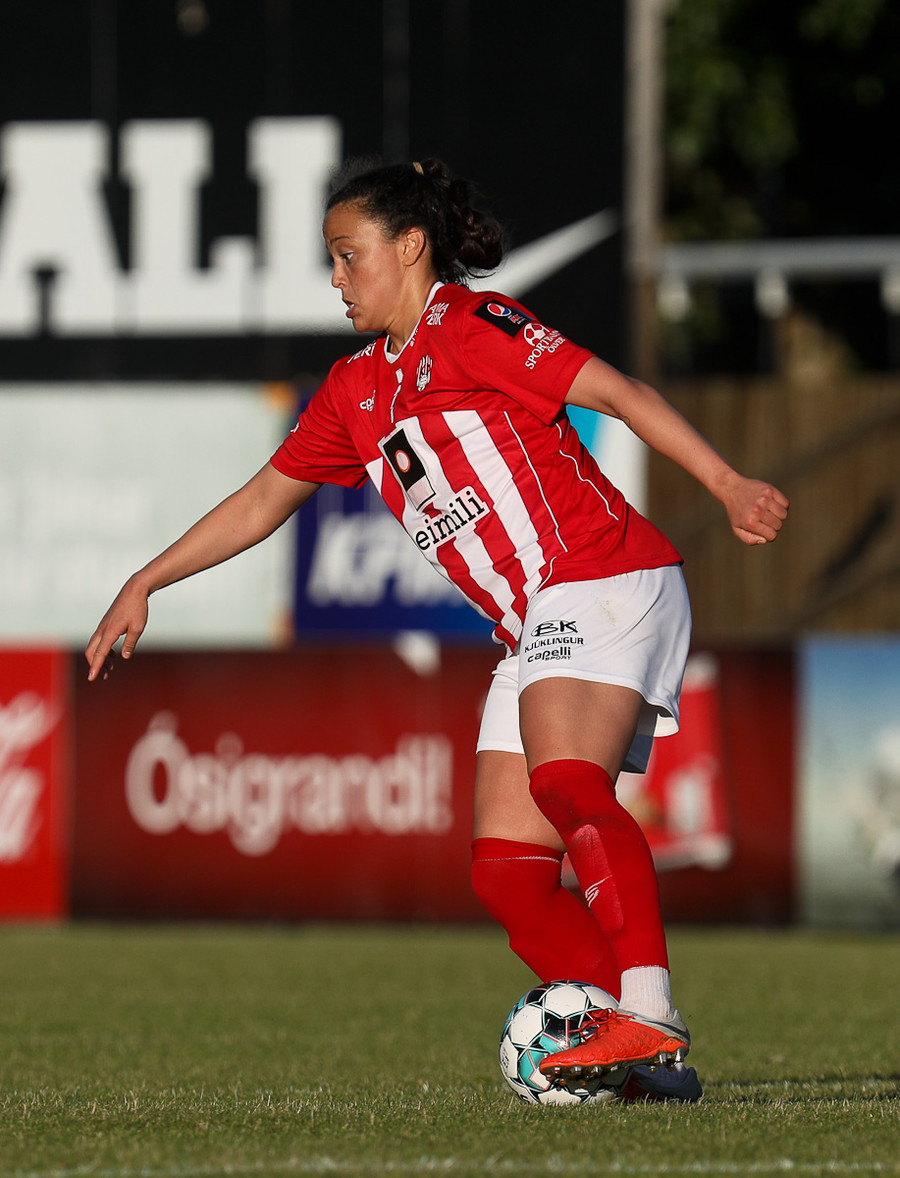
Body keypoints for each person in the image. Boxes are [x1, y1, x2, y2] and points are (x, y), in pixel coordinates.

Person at [86, 158, 788, 1103]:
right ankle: (639, 1069)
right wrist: (147, 580)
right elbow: (260, 502)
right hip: (536, 618)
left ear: (411, 247)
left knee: (567, 783)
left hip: (604, 573)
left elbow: (618, 392)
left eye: (349, 255)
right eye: (332, 260)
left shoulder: (473, 327)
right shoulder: (353, 391)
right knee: (507, 874)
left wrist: (728, 483)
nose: (336, 278)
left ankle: (648, 1012)